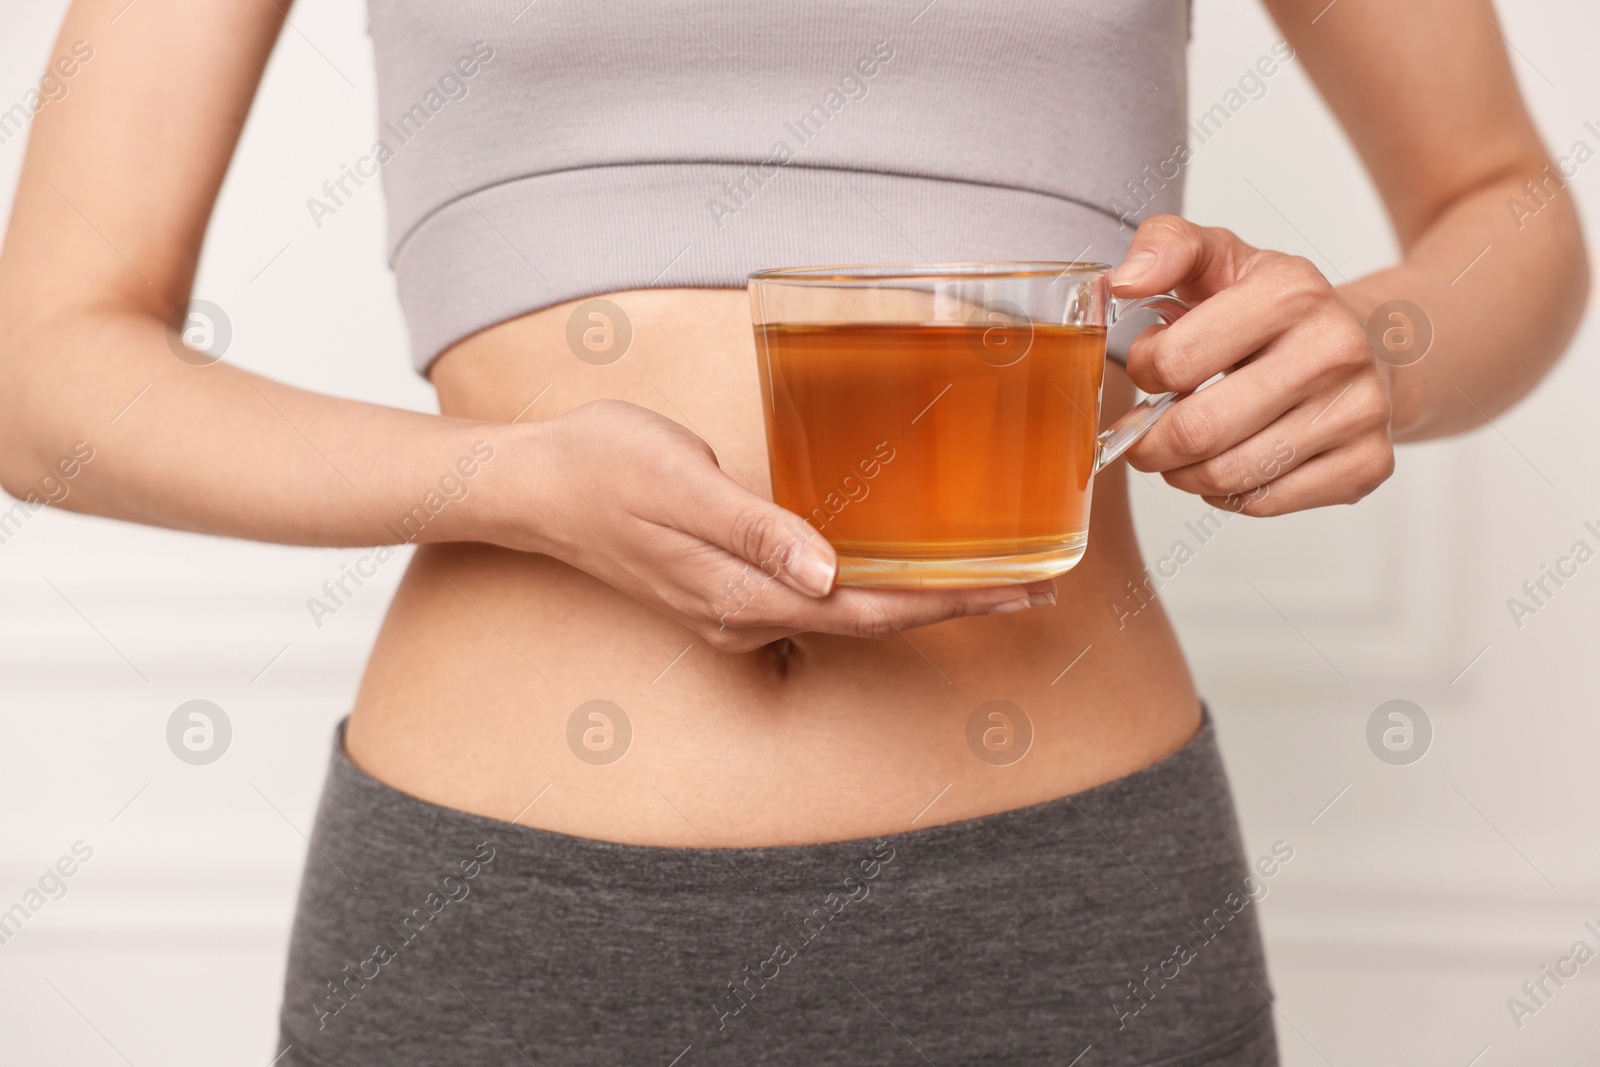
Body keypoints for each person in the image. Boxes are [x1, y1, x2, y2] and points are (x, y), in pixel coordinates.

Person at [0, 1, 1585, 1064]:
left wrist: (1368, 351)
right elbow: (42, 369)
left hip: (1070, 915)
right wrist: (508, 483)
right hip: (497, 928)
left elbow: (1504, 206)